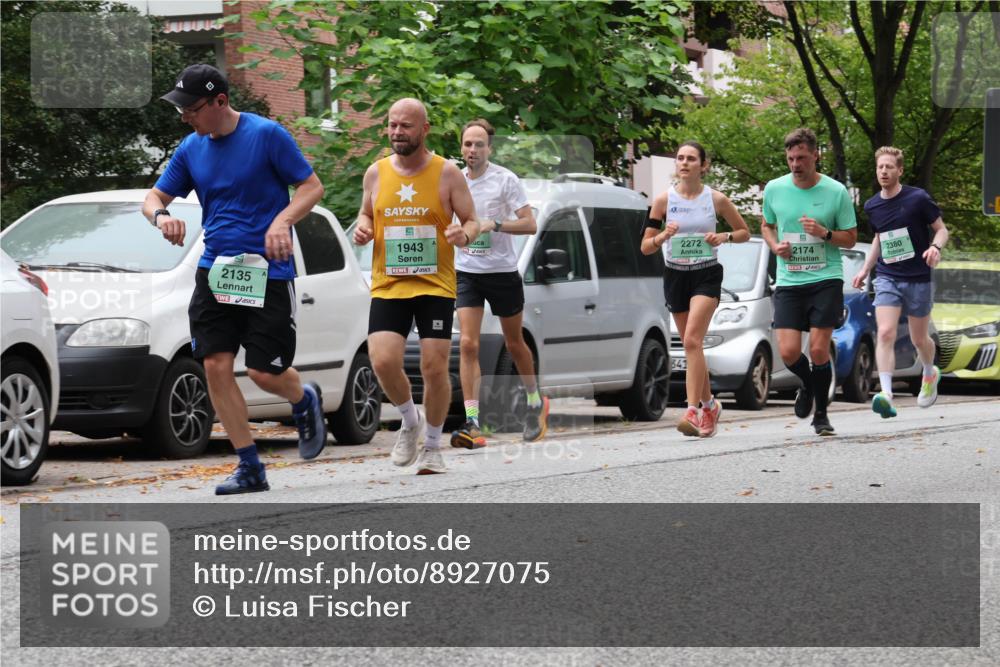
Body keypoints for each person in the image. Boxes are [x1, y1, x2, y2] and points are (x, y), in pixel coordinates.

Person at [143, 64, 327, 495]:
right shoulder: (191, 148)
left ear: (220, 101)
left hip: (268, 270)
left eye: (191, 109)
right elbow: (153, 197)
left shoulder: (266, 135)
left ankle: (303, 398)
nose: (185, 117)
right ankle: (249, 466)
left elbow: (311, 187)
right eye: (181, 110)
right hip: (216, 270)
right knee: (215, 365)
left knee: (263, 372)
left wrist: (282, 221)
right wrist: (162, 216)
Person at [353, 98, 481, 475]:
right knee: (382, 361)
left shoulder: (447, 173)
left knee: (434, 366)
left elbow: (472, 220)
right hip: (389, 284)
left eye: (405, 126)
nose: (397, 132)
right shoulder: (375, 173)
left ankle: (433, 447)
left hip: (433, 285)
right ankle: (410, 421)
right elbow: (365, 213)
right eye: (392, 125)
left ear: (424, 129)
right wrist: (364, 228)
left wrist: (464, 234)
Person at [641, 141, 750, 438]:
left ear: (703, 165)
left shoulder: (716, 199)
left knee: (691, 340)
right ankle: (710, 405)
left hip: (706, 274)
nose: (684, 163)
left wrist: (724, 236)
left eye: (691, 158)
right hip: (675, 276)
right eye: (680, 158)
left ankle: (692, 411)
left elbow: (744, 232)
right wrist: (663, 235)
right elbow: (646, 246)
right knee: (694, 348)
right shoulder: (663, 201)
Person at [449, 119, 546, 449]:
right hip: (467, 272)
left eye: (479, 144)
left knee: (514, 342)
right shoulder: (454, 179)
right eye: (467, 144)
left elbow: (530, 224)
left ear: (490, 148)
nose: (473, 150)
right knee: (468, 344)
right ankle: (472, 422)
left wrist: (495, 224)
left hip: (502, 272)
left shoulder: (506, 180)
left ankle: (534, 401)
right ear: (461, 147)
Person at [761, 128, 858, 436]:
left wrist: (824, 233)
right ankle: (807, 384)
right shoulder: (774, 189)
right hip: (790, 280)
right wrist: (775, 246)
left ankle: (822, 416)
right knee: (789, 352)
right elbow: (766, 225)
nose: (795, 164)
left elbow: (851, 238)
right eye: (791, 158)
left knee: (818, 350)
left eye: (801, 158)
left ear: (816, 155)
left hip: (825, 278)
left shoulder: (836, 191)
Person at [852, 146, 948, 418]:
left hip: (918, 277)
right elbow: (879, 238)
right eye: (880, 167)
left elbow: (942, 230)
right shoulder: (872, 205)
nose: (884, 171)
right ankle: (886, 394)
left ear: (900, 171)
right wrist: (865, 269)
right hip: (888, 276)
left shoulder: (918, 199)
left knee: (919, 339)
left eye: (889, 167)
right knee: (885, 332)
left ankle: (929, 373)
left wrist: (935, 248)